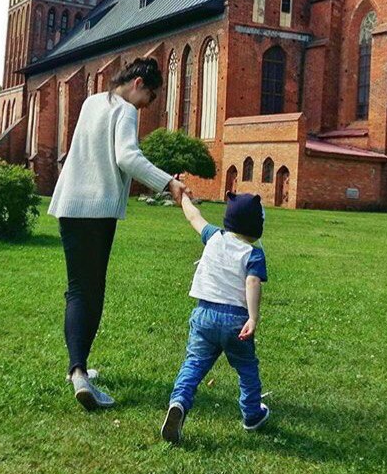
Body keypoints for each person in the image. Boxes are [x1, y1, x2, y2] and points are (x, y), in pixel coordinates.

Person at [49, 57, 188, 411]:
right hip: (97, 210)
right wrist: (168, 182)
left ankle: (77, 368)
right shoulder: (125, 110)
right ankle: (80, 374)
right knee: (91, 291)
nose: (147, 106)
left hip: (68, 206)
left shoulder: (91, 102)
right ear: (139, 83)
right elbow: (127, 157)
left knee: (77, 288)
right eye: (151, 98)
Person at [161, 191, 270, 444]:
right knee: (246, 368)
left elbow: (193, 217)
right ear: (256, 227)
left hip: (204, 315)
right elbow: (252, 282)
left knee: (194, 364)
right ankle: (252, 414)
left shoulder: (213, 237)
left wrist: (184, 197)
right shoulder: (253, 254)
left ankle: (179, 402)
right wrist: (253, 318)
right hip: (235, 321)